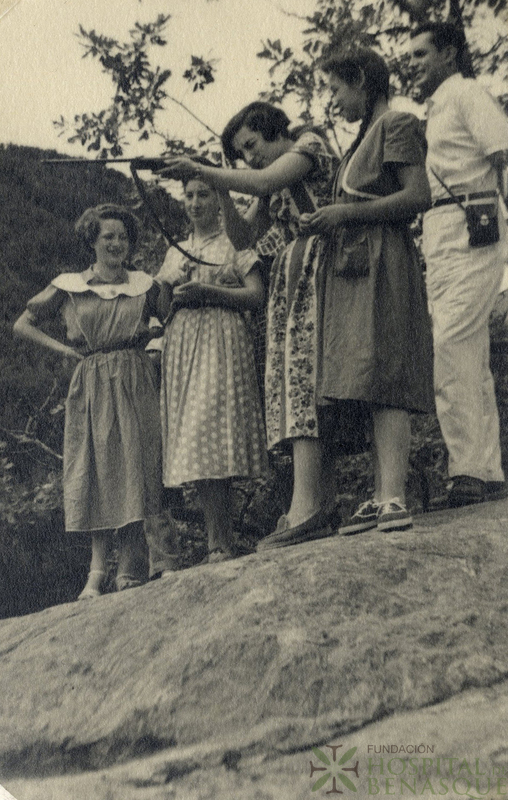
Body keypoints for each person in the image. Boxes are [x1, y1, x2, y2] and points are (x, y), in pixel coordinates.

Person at [157, 103, 339, 547]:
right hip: (296, 277)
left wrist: (206, 171)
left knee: (319, 385)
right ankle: (318, 503)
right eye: (241, 153)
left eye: (252, 145)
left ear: (275, 128)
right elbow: (244, 241)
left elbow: (263, 181)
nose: (250, 159)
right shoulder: (267, 179)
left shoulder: (309, 142)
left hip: (329, 267)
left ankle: (314, 505)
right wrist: (220, 187)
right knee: (304, 388)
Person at [297, 47, 434, 535]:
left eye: (336, 88)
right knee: (367, 374)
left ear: (360, 79)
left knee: (387, 369)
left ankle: (394, 495)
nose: (334, 100)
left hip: (384, 262)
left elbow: (419, 196)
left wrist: (346, 215)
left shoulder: (397, 123)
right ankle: (380, 495)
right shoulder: (362, 138)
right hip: (357, 264)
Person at [13, 204, 163, 598]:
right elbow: (22, 324)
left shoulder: (145, 284)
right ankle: (96, 572)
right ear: (92, 241)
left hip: (134, 376)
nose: (116, 243)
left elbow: (172, 320)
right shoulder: (69, 284)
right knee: (96, 468)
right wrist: (63, 350)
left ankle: (132, 563)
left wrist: (155, 343)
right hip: (91, 379)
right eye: (107, 236)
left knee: (135, 464)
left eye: (123, 237)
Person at [409, 22, 508, 507]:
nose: (412, 64)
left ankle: (469, 470)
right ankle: (484, 469)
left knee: (451, 347)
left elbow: (503, 155)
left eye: (421, 54)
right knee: (467, 353)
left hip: (475, 225)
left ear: (449, 54)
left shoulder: (468, 93)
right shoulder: (436, 108)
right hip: (442, 235)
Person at [156, 163, 268, 562]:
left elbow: (257, 296)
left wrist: (210, 292)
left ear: (219, 200)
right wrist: (171, 282)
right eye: (189, 195)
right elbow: (163, 311)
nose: (196, 202)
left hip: (222, 342)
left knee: (213, 432)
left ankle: (222, 542)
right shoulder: (175, 249)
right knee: (196, 440)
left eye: (204, 194)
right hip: (184, 345)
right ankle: (217, 543)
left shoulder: (234, 241)